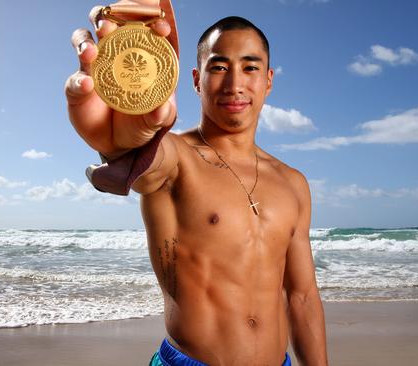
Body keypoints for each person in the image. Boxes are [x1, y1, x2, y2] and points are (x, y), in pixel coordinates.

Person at [66, 3, 328, 365]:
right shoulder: (177, 158)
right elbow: (143, 157)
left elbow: (302, 296)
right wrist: (122, 135)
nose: (235, 84)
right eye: (218, 67)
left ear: (267, 80)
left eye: (250, 68)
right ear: (195, 79)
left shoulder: (293, 183)